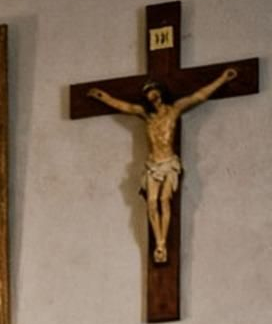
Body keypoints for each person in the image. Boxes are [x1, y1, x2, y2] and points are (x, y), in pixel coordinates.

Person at [86, 69, 238, 264]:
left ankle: (162, 241)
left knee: (164, 200)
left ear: (161, 93)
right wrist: (103, 97)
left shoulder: (175, 110)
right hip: (153, 165)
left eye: (155, 93)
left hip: (168, 163)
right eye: (149, 95)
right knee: (151, 203)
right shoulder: (146, 116)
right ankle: (159, 240)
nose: (152, 98)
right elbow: (125, 106)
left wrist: (222, 78)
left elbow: (198, 96)